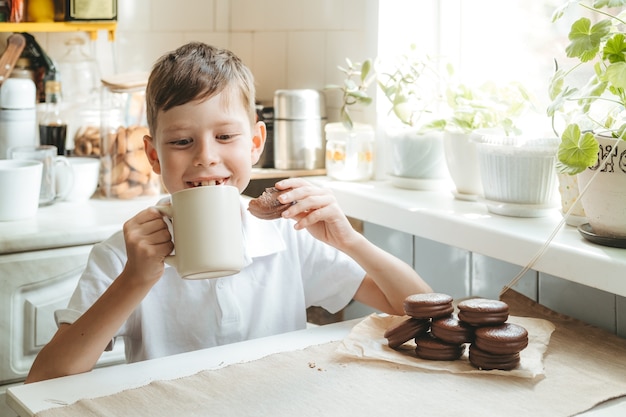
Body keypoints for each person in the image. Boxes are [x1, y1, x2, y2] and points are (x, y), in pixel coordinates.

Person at [26, 42, 432, 383]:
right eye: (182, 141)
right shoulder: (124, 256)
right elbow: (44, 381)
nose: (206, 157)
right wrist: (133, 281)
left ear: (255, 142)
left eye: (225, 136)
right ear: (153, 155)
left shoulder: (289, 235)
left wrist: (350, 240)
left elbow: (421, 309)